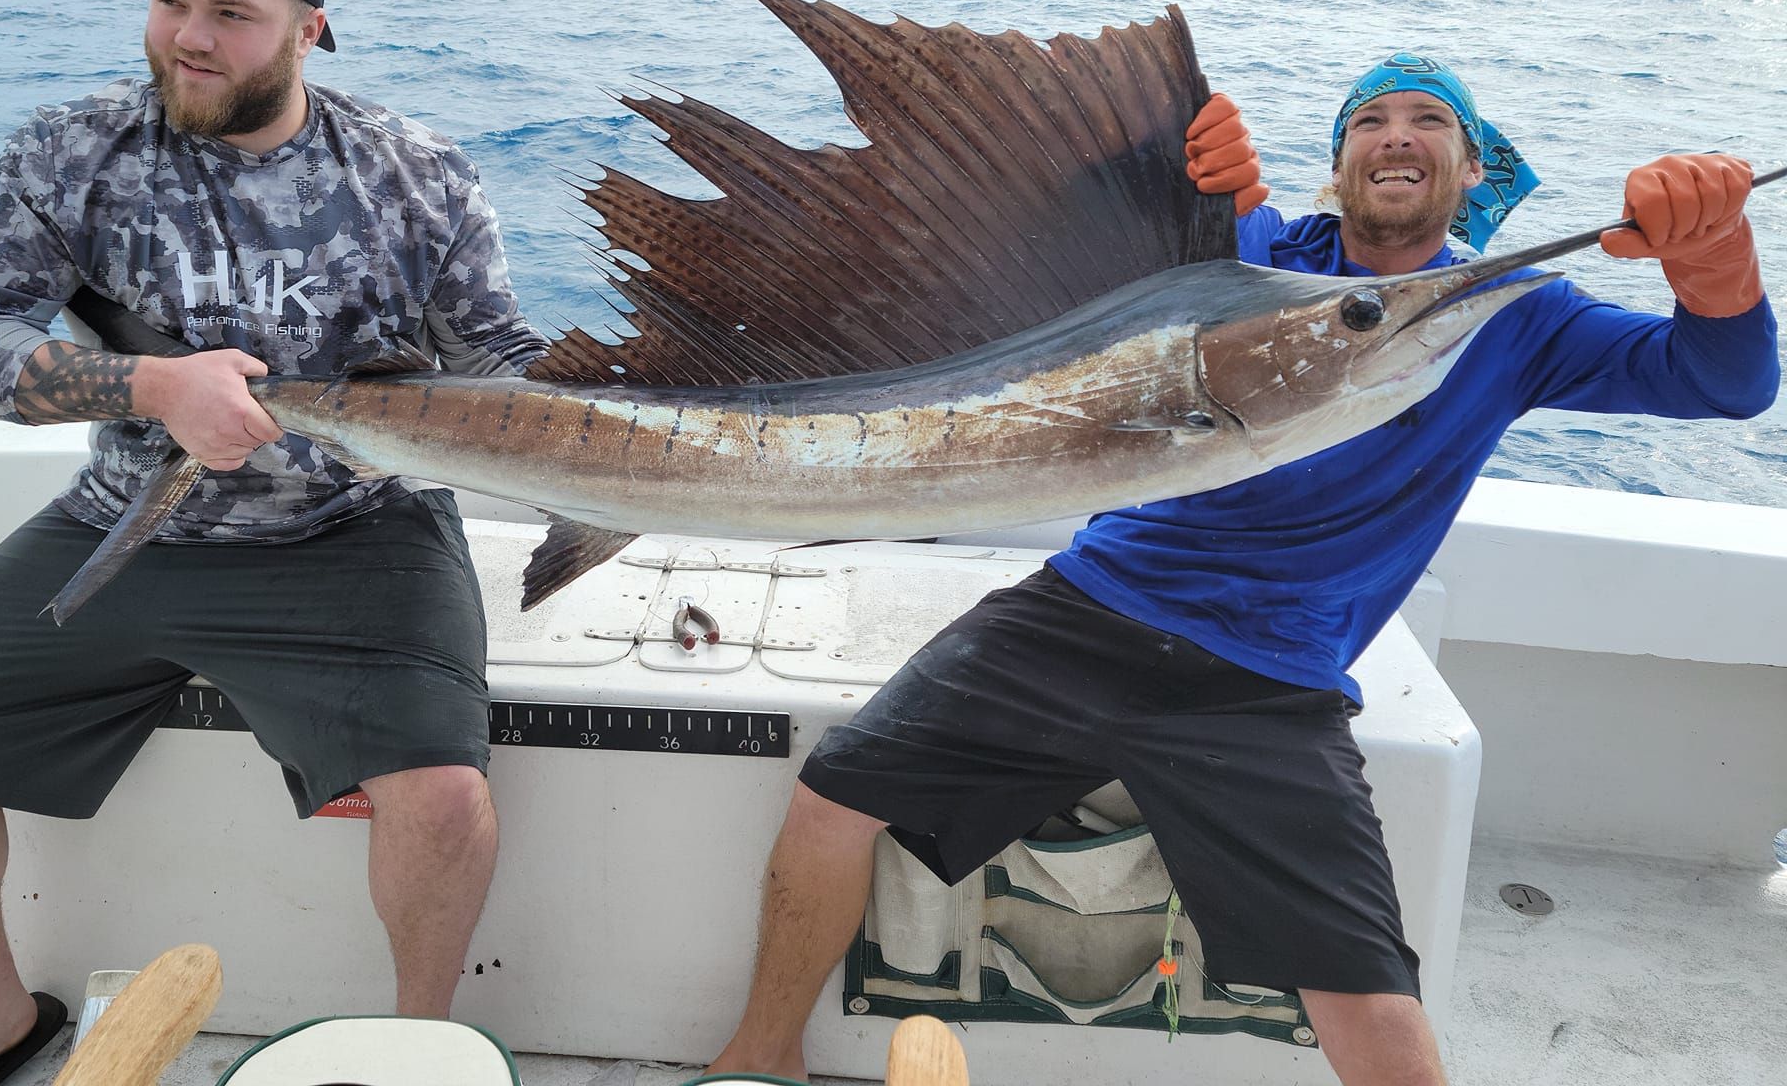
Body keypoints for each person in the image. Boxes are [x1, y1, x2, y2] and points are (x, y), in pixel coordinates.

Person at [705, 54, 1777, 1086]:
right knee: (833, 797)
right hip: (1092, 606)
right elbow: (1070, 233)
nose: (1395, 135)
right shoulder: (1255, 253)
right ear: (1339, 159)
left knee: (1363, 980)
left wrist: (1713, 257)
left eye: (1428, 121)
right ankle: (757, 1061)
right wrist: (1154, 164)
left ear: (1469, 169)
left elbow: (1717, 383)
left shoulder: (1511, 311)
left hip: (1272, 675)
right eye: (1368, 120)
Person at [0, 0, 549, 1086]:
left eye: (230, 15)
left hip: (354, 530)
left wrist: (637, 416)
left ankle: (414, 1042)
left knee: (443, 798)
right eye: (167, 3)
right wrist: (149, 385)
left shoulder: (417, 173)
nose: (187, 38)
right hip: (125, 527)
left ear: (311, 30)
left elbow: (499, 362)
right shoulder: (71, 150)